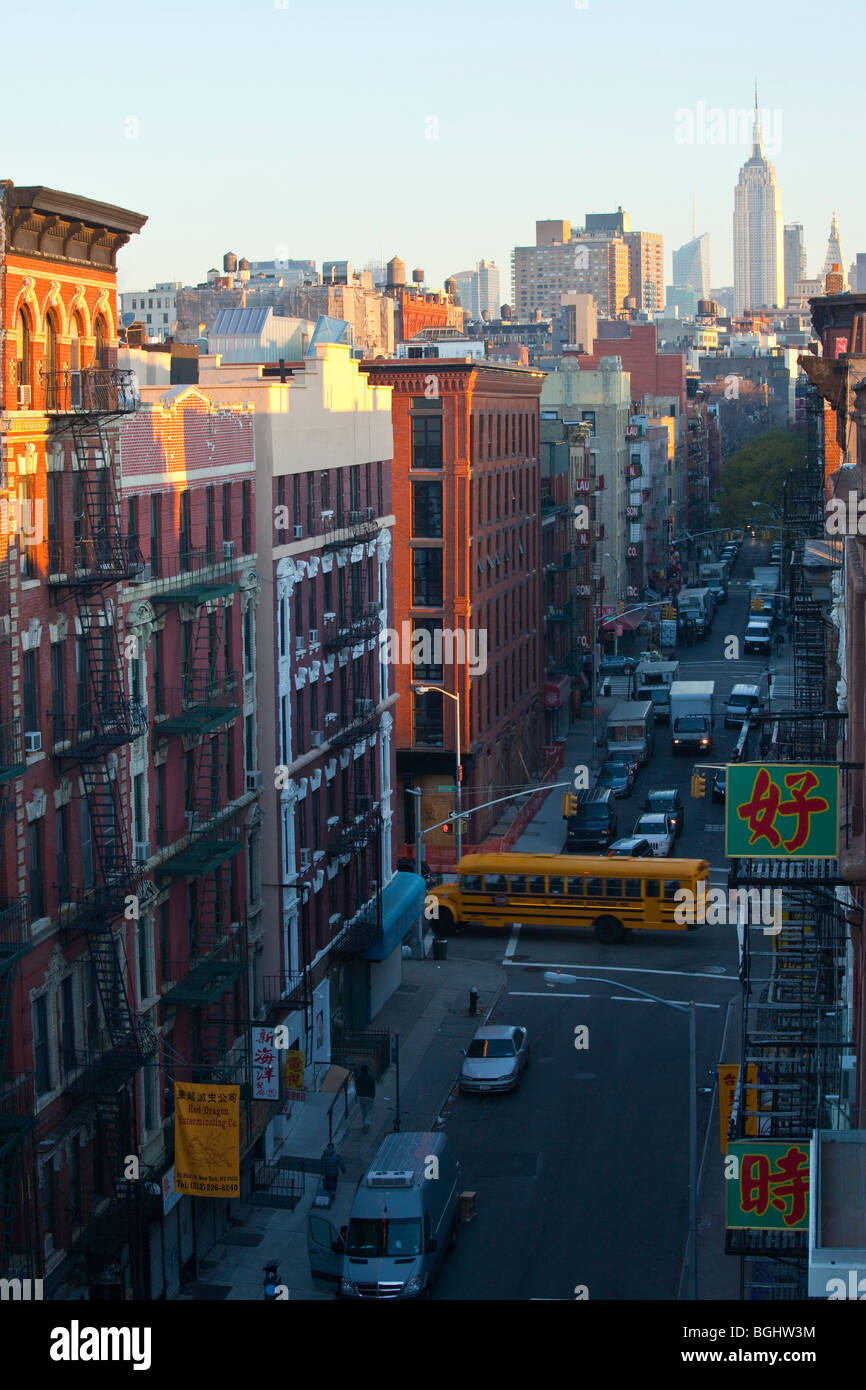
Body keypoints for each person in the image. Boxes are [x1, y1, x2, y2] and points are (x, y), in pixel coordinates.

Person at [356, 1063, 376, 1131]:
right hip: (368, 1096)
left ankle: (364, 1123)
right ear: (367, 1070)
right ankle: (367, 1124)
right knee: (369, 1111)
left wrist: (358, 1094)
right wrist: (373, 1095)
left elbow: (357, 1086)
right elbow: (373, 1087)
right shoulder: (371, 1077)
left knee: (363, 1111)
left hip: (361, 1096)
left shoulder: (359, 1077)